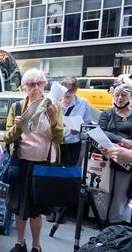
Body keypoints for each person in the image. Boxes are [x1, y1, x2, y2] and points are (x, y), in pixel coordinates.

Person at [4, 68, 63, 252]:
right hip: (22, 164)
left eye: (39, 83)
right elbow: (7, 137)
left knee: (36, 209)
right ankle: (20, 243)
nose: (35, 88)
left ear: (45, 85)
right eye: (31, 84)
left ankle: (37, 246)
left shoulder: (53, 105)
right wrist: (18, 127)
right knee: (20, 208)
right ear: (24, 87)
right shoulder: (18, 107)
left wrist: (54, 119)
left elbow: (59, 138)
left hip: (43, 164)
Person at [47, 76, 92, 223]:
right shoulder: (54, 101)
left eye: (71, 89)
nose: (68, 92)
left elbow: (87, 125)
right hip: (56, 143)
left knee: (67, 177)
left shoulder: (83, 103)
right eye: (65, 89)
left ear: (75, 89)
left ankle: (61, 212)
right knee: (54, 175)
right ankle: (51, 210)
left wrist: (79, 131)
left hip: (73, 143)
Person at [95, 84, 132, 224]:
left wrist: (128, 145)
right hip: (106, 157)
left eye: (123, 95)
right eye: (117, 95)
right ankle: (102, 222)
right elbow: (101, 131)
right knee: (103, 192)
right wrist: (123, 140)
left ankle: (117, 223)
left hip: (126, 160)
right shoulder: (107, 113)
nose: (120, 98)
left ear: (130, 97)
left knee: (121, 193)